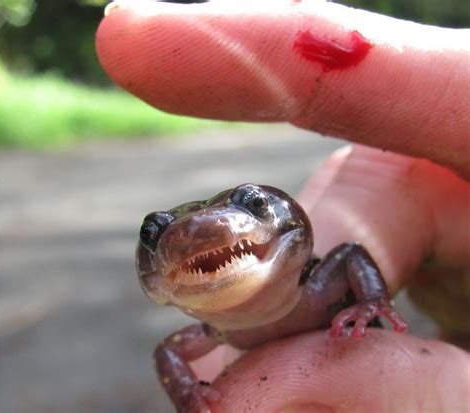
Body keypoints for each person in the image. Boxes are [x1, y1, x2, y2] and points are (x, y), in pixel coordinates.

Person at [96, 1, 469, 411]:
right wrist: (188, 393)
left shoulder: (318, 286)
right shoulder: (208, 331)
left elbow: (348, 256)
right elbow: (168, 356)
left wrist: (372, 300)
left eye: (253, 204)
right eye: (155, 233)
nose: (199, 232)